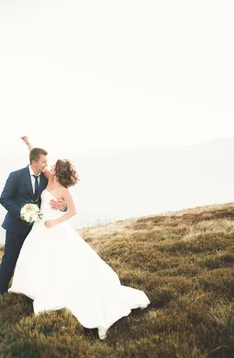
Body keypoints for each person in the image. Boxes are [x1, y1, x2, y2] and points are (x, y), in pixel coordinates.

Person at [8, 136, 150, 340]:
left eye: (54, 165)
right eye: (50, 164)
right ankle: (36, 285)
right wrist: (28, 144)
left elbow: (73, 212)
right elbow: (37, 160)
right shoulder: (49, 179)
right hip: (41, 228)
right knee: (39, 259)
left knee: (61, 263)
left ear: (59, 170)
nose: (50, 165)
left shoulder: (63, 189)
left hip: (53, 228)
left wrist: (54, 222)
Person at [0, 143, 68, 295]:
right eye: (43, 162)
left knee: (34, 260)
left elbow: (61, 199)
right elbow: (4, 198)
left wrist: (62, 206)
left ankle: (29, 290)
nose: (46, 165)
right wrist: (20, 213)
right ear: (34, 162)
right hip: (15, 226)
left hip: (37, 228)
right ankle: (0, 292)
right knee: (10, 259)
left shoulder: (46, 178)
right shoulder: (16, 175)